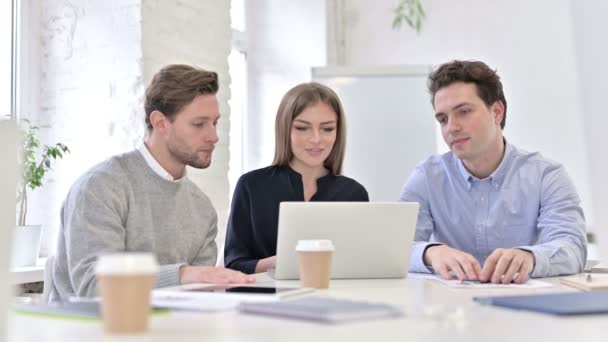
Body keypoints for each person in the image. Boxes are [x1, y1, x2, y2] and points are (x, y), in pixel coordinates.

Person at [50, 64, 254, 301]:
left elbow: (197, 298)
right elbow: (94, 289)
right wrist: (182, 275)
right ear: (160, 122)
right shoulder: (100, 188)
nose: (213, 136)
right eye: (199, 124)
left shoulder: (202, 209)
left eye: (215, 123)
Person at [401, 60, 586, 284]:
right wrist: (430, 253)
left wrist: (530, 257)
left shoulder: (546, 176)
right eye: (443, 119)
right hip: (451, 311)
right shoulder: (427, 178)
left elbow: (572, 247)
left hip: (528, 308)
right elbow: (396, 248)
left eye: (464, 112)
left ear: (497, 112)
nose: (451, 127)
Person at [224, 83, 369, 274]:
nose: (316, 139)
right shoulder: (252, 186)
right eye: (302, 128)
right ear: (285, 129)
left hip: (333, 300)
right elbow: (234, 264)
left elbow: (361, 264)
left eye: (327, 129)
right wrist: (279, 263)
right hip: (266, 301)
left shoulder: (354, 193)